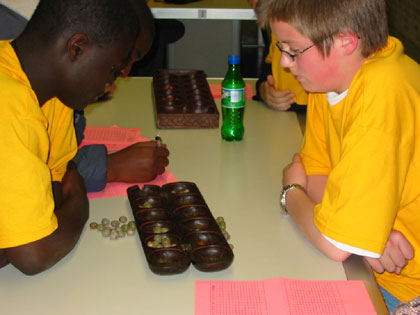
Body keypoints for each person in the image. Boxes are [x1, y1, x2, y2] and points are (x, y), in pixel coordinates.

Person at [256, 0, 420, 312]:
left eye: (293, 51)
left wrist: (291, 193)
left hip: (409, 287)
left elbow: (333, 245)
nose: (287, 64)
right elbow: (319, 170)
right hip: (373, 262)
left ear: (346, 40)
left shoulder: (381, 95)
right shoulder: (332, 80)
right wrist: (359, 231)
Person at [0, 0, 141, 275]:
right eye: (112, 69)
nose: (111, 84)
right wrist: (79, 201)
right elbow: (34, 255)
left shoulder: (52, 94)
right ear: (77, 48)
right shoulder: (11, 106)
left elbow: (53, 193)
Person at [0, 0, 170, 193]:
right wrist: (109, 167)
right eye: (119, 62)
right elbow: (36, 182)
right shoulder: (22, 88)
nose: (124, 73)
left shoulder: (54, 73)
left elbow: (58, 168)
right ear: (79, 47)